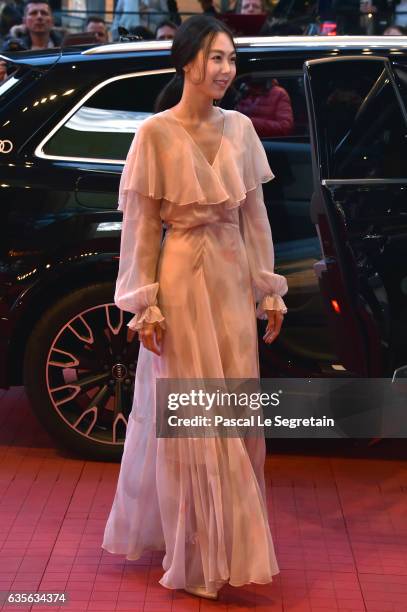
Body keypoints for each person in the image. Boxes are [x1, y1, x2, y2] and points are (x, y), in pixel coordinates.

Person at [102, 14, 287, 600]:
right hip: (181, 279)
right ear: (186, 61)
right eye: (216, 57)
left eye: (231, 58)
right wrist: (143, 304)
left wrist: (269, 287)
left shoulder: (242, 130)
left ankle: (226, 545)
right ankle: (195, 554)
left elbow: (256, 219)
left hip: (231, 279)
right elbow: (140, 230)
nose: (226, 69)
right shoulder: (154, 134)